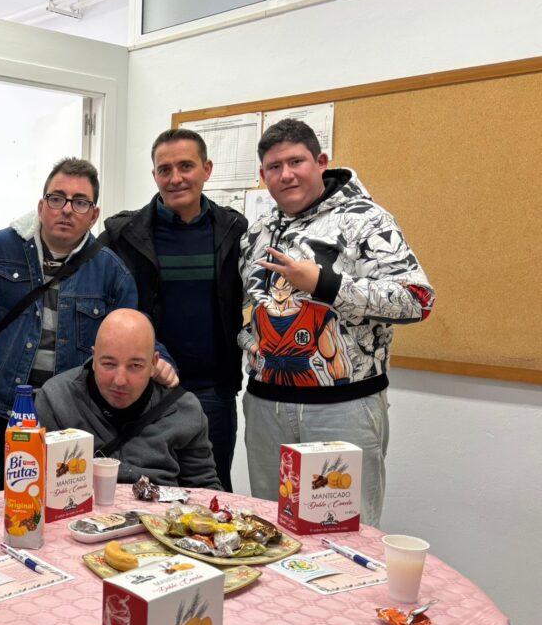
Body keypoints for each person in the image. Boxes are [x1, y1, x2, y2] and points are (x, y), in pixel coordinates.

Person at [240, 118, 434, 527]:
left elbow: (418, 300)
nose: (286, 174)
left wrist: (326, 284)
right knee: (271, 531)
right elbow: (249, 308)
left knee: (345, 535)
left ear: (321, 162)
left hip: (342, 408)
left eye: (297, 161)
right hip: (265, 407)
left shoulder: (367, 220)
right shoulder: (256, 232)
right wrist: (251, 341)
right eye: (274, 167)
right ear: (263, 176)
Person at [0, 158, 178, 484]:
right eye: (57, 198)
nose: (66, 209)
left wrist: (162, 361)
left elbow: (134, 331)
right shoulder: (1, 248)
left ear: (94, 215)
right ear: (41, 206)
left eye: (80, 202)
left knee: (63, 507)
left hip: (68, 418)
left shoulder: (111, 271)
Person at [100, 128, 247, 491]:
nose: (175, 177)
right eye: (165, 169)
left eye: (186, 166)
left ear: (206, 169)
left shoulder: (234, 230)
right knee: (138, 491)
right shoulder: (123, 234)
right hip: (143, 387)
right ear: (154, 176)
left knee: (209, 492)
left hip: (213, 391)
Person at [36, 309, 221, 489]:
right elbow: (37, 484)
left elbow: (204, 488)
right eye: (108, 364)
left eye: (135, 365)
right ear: (93, 358)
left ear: (154, 363)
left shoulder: (183, 409)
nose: (120, 380)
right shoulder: (57, 399)